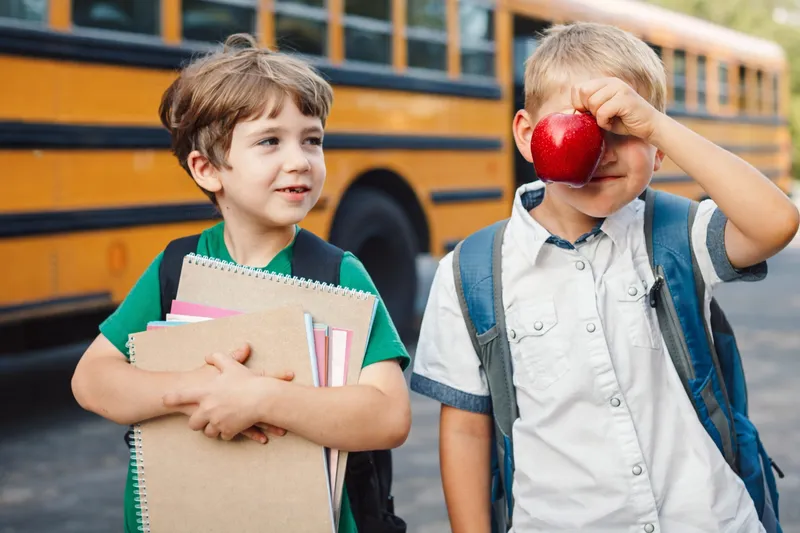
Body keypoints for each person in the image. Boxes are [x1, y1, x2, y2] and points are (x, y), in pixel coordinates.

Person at [410, 22, 799, 533]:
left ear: (658, 147)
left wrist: (656, 124)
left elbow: (776, 223)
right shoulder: (472, 273)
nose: (601, 151)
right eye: (579, 128)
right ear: (527, 135)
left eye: (625, 130)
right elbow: (465, 430)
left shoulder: (676, 234)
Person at [71, 33, 411, 533]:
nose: (299, 160)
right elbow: (92, 380)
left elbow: (388, 416)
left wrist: (260, 399)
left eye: (312, 140)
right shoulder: (177, 267)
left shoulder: (337, 274)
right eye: (270, 141)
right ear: (208, 169)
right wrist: (200, 389)